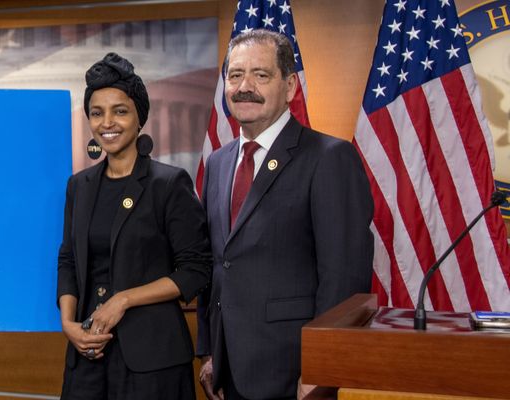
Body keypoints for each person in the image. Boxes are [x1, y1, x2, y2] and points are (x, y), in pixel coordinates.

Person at [196, 29, 374, 400]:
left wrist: (320, 367)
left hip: (293, 371)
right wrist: (211, 349)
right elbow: (216, 263)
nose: (245, 86)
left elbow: (343, 277)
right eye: (235, 75)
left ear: (290, 86)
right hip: (230, 369)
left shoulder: (328, 158)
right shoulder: (217, 162)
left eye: (261, 75)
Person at [56, 53, 212, 399]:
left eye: (120, 111)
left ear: (139, 116)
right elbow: (68, 259)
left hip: (153, 361)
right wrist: (68, 325)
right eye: (97, 113)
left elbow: (196, 270)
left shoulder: (169, 184)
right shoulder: (78, 185)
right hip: (88, 356)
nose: (107, 122)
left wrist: (123, 299)